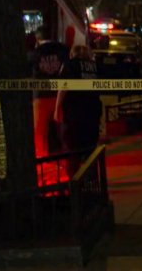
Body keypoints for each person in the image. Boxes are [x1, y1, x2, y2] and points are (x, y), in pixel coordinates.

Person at [54, 45, 102, 178]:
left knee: (73, 150)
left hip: (74, 113)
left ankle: (74, 182)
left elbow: (64, 85)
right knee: (90, 151)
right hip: (92, 113)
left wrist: (57, 108)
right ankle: (92, 182)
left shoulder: (70, 65)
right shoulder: (94, 66)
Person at [29, 26, 68, 158]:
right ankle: (67, 157)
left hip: (40, 96)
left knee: (40, 132)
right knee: (62, 129)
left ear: (37, 38)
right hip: (59, 95)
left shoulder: (35, 53)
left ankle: (42, 158)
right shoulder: (63, 50)